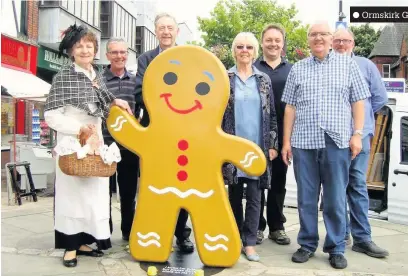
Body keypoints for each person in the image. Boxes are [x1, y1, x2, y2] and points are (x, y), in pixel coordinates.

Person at [281, 21, 371, 269]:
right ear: (308, 40)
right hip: (304, 143)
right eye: (313, 35)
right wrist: (286, 141)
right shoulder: (298, 68)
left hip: (337, 141)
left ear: (331, 39)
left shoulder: (348, 64)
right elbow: (290, 107)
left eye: (323, 34)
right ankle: (307, 243)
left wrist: (357, 134)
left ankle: (336, 247)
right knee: (306, 199)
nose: (318, 38)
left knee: (334, 199)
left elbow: (358, 103)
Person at [44, 24, 132, 268]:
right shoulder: (63, 76)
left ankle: (84, 241)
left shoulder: (97, 76)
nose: (84, 50)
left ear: (95, 50)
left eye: (89, 46)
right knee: (72, 195)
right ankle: (70, 247)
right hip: (73, 141)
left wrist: (117, 101)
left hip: (95, 141)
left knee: (92, 195)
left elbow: (103, 100)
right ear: (71, 51)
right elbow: (51, 115)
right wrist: (77, 129)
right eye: (79, 46)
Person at [134, 12, 194, 253]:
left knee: (184, 181)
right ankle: (157, 234)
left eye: (170, 27)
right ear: (155, 32)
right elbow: (139, 92)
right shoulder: (145, 59)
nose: (166, 32)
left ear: (176, 32)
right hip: (156, 133)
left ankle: (182, 234)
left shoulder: (189, 58)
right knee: (155, 183)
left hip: (184, 134)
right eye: (162, 28)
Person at [332, 28, 389, 258]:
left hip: (360, 138)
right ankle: (341, 234)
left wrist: (362, 122)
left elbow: (380, 98)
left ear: (353, 43)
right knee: (335, 188)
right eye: (337, 41)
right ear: (331, 43)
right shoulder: (327, 66)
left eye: (346, 40)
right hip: (333, 138)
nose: (341, 45)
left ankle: (362, 238)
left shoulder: (365, 65)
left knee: (357, 186)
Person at [223, 32, 279, 262]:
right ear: (234, 51)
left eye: (248, 47)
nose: (244, 50)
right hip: (232, 147)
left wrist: (273, 145)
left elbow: (273, 115)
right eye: (239, 47)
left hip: (257, 148)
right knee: (234, 196)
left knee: (256, 198)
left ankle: (250, 244)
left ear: (255, 52)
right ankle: (235, 238)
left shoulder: (263, 80)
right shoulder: (225, 77)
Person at [254, 23, 292, 246]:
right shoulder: (254, 67)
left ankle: (277, 227)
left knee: (279, 182)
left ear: (283, 43)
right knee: (257, 182)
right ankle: (257, 225)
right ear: (262, 42)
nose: (273, 44)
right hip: (257, 133)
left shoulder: (292, 69)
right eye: (269, 40)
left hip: (284, 134)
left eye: (277, 40)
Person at [102, 38, 139, 241]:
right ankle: (104, 233)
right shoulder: (98, 80)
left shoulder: (135, 82)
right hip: (105, 147)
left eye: (123, 52)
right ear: (107, 55)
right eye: (114, 52)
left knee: (128, 194)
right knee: (103, 194)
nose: (119, 56)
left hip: (128, 147)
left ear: (128, 54)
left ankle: (128, 232)